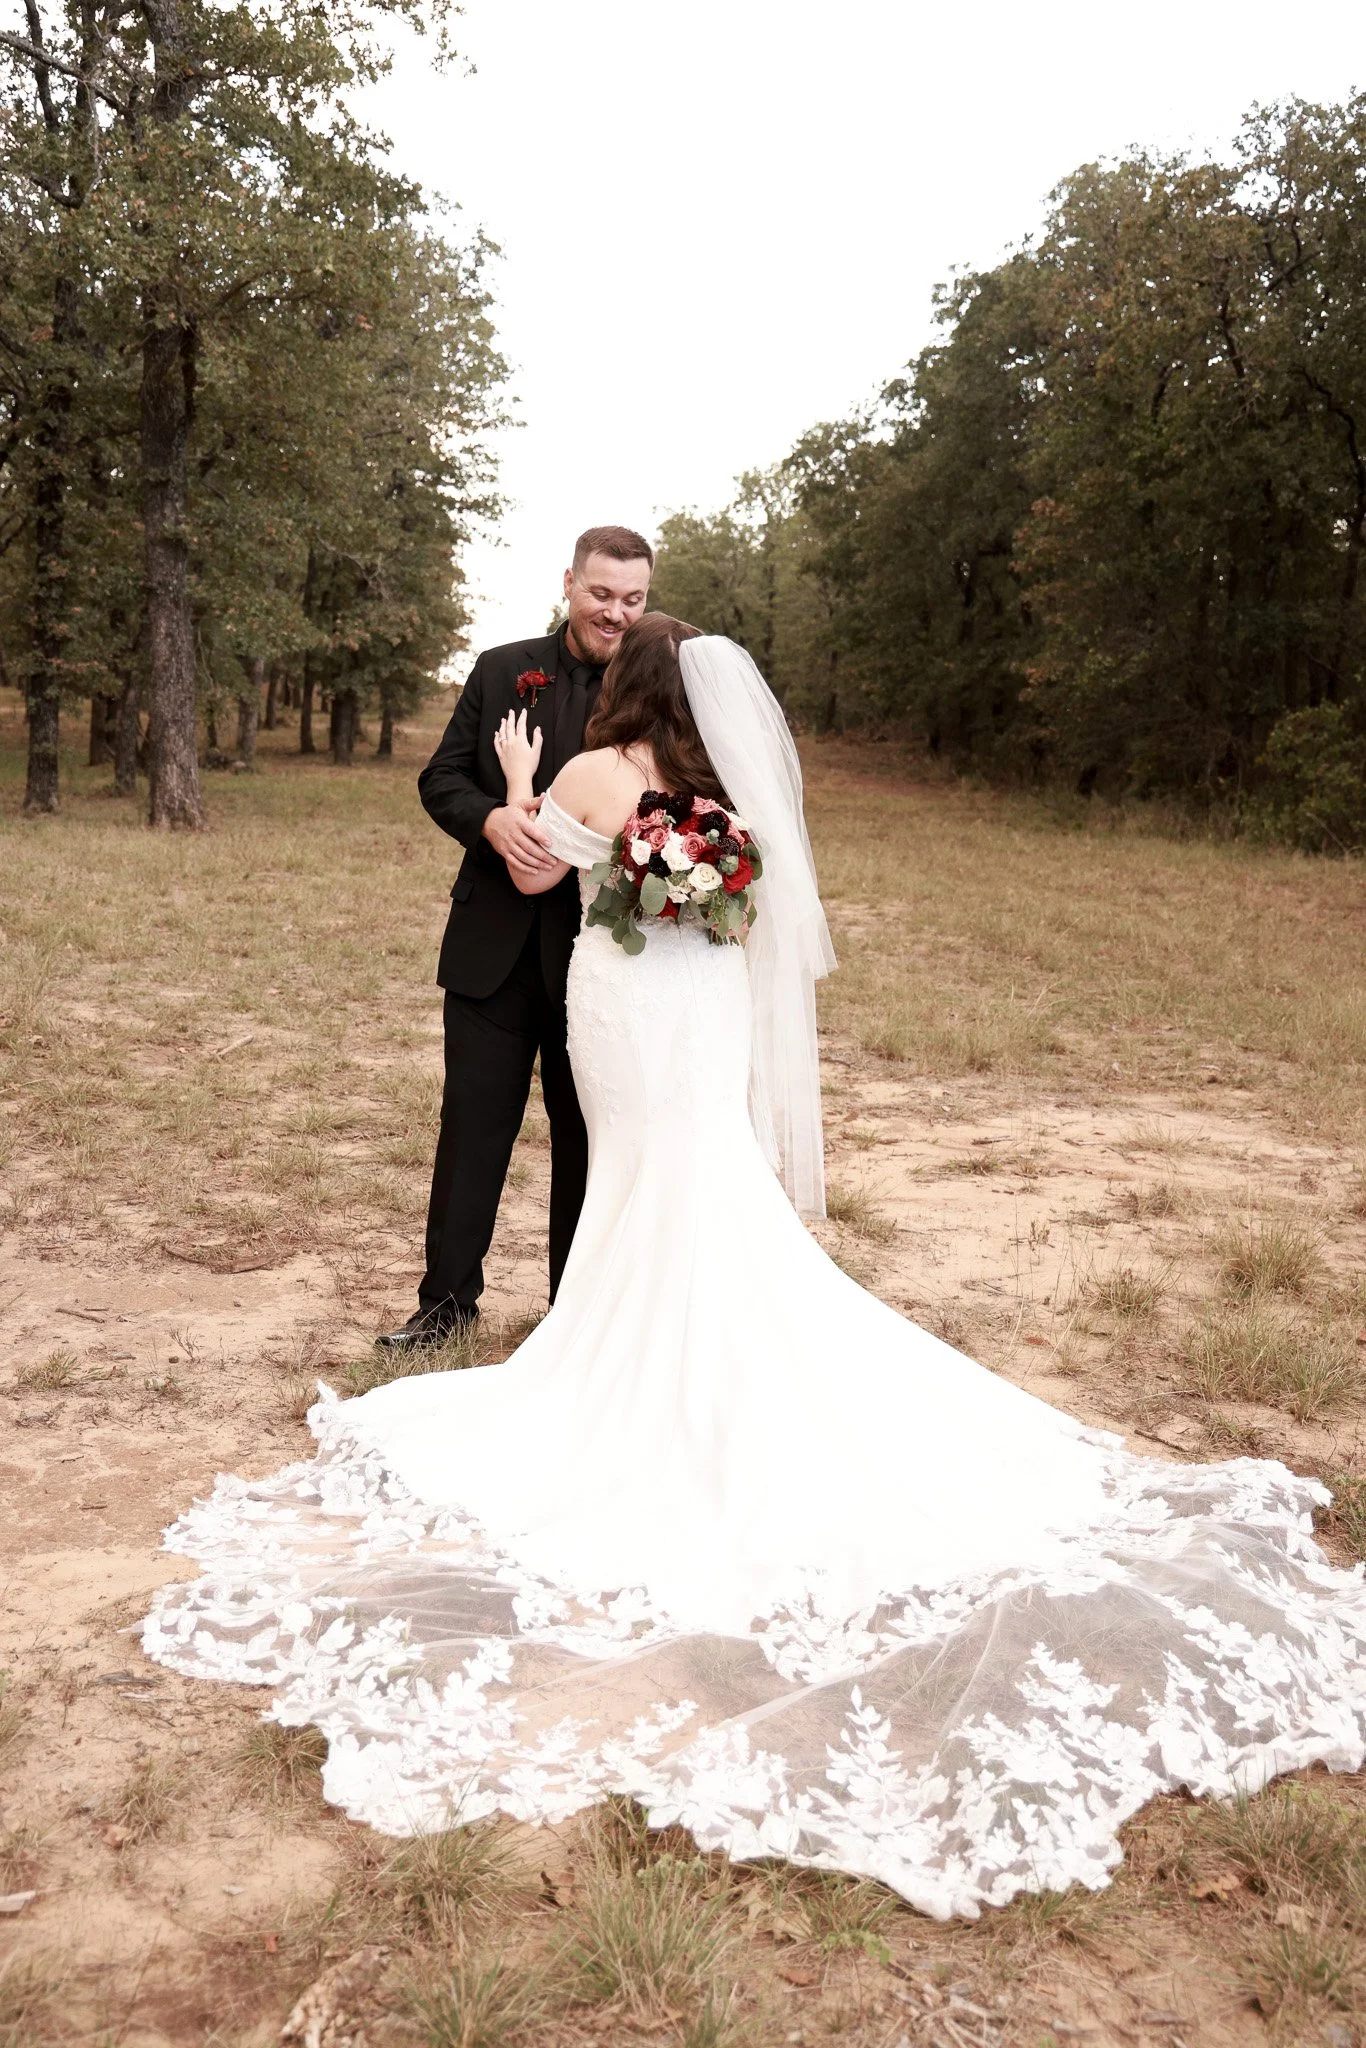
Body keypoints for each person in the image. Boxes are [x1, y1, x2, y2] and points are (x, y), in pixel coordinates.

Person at [146, 618, 1366, 1919]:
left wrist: (511, 785)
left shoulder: (586, 773)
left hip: (620, 1008)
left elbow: (532, 884)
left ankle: (636, 1363)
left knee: (641, 1180)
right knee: (699, 1177)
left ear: (623, 688)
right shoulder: (719, 794)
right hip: (700, 1010)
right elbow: (742, 915)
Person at [376, 525, 654, 1355]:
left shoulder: (659, 681)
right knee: (471, 1126)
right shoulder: (503, 668)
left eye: (632, 598)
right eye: (601, 593)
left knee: (587, 1134)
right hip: (492, 942)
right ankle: (444, 1305)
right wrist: (490, 819)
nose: (615, 613)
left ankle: (573, 1311)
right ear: (569, 581)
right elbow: (442, 777)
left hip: (601, 955)